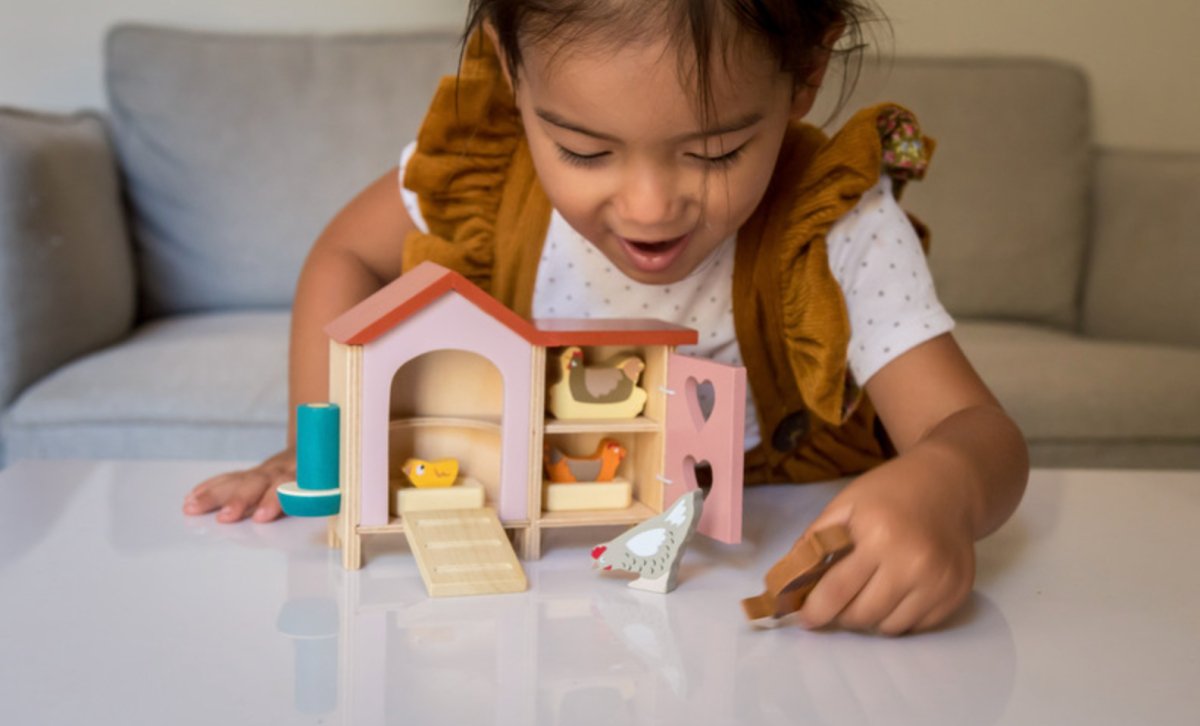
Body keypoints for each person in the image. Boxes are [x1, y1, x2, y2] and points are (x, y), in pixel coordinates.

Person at [183, 0, 1028, 635]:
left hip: (730, 593)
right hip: (534, 608)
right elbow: (346, 255)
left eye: (715, 151)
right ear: (515, 76)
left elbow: (975, 430)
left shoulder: (836, 221)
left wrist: (948, 488)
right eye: (585, 152)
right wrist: (312, 444)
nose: (650, 207)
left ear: (803, 75)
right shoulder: (486, 172)